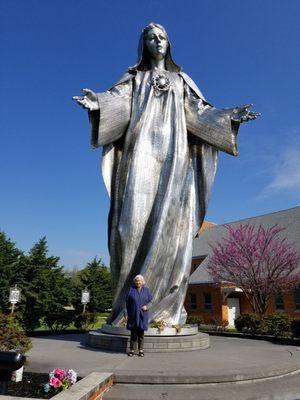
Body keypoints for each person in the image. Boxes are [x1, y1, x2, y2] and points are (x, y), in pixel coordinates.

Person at [73, 23, 260, 327]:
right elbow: (116, 102)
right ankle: (125, 309)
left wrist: (229, 117)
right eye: (151, 38)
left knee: (173, 231)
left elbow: (200, 114)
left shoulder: (180, 80)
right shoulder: (134, 79)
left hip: (175, 163)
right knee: (127, 228)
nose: (157, 42)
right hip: (138, 160)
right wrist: (97, 103)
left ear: (168, 43)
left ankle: (165, 312)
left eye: (162, 37)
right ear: (144, 44)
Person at [126, 275, 153, 357]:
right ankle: (132, 350)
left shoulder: (146, 290)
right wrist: (126, 313)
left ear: (142, 282)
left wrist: (147, 306)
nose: (138, 282)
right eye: (137, 281)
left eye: (140, 281)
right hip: (133, 315)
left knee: (141, 333)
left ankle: (141, 350)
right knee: (133, 333)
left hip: (142, 315)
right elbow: (126, 302)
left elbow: (151, 301)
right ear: (135, 282)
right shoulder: (131, 289)